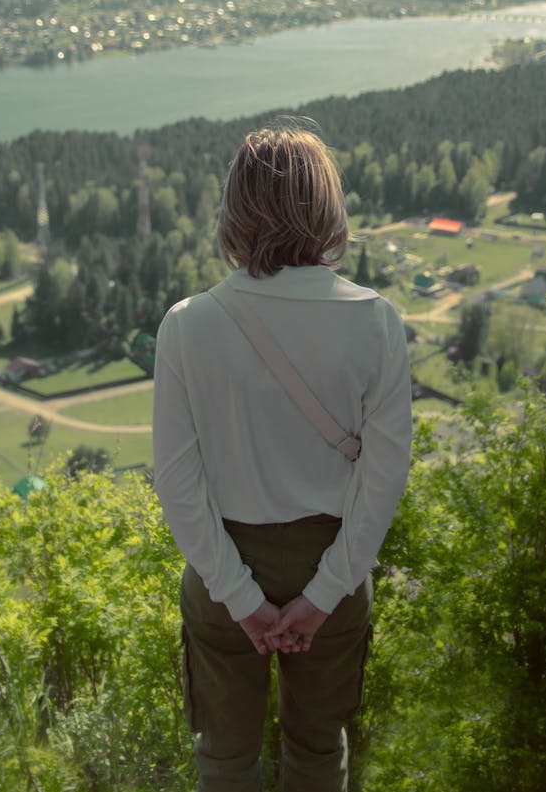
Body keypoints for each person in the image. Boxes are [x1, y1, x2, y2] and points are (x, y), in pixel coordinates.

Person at [152, 121, 412, 792]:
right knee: (319, 753)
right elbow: (383, 477)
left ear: (236, 209)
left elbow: (178, 485)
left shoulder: (188, 324)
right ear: (326, 206)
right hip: (334, 558)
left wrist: (240, 596)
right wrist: (325, 593)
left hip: (222, 565)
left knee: (226, 760)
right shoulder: (375, 319)